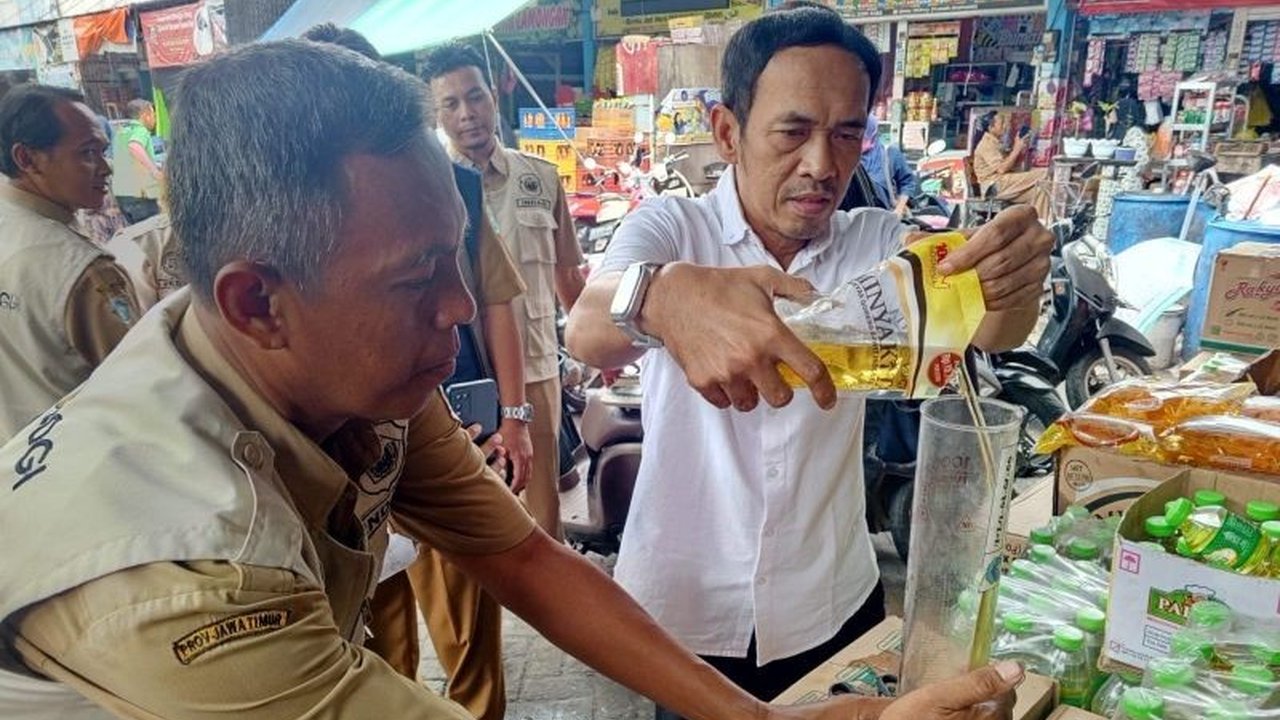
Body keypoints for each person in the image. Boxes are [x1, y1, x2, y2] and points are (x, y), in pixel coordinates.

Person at [0, 39, 1024, 720]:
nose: (460, 308)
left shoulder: (336, 372)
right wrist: (655, 296)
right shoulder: (187, 581)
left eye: (454, 257)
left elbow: (525, 558)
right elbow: (595, 316)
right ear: (257, 302)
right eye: (416, 279)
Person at [566, 7, 1051, 714]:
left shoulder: (876, 243)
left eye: (847, 133)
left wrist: (1014, 278)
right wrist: (665, 295)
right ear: (728, 131)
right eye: (792, 131)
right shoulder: (673, 228)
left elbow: (993, 330)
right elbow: (585, 328)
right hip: (688, 614)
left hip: (830, 600)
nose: (822, 165)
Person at [293, 24, 529, 720]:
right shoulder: (280, 219)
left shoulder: (453, 191)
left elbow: (492, 302)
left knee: (466, 610)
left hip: (438, 417)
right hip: (336, 462)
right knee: (371, 626)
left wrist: (514, 414)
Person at [424, 42, 586, 541]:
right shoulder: (427, 189)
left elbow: (567, 276)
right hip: (459, 382)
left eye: (475, 96)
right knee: (474, 526)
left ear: (494, 95)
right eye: (451, 103)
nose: (467, 113)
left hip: (535, 372)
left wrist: (591, 347)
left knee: (542, 521)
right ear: (436, 114)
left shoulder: (540, 179)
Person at [0, 84, 140, 442]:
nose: (106, 168)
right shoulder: (84, 272)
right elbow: (143, 384)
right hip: (80, 457)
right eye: (88, 153)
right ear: (27, 159)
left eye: (103, 152)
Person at [971, 111, 1050, 220]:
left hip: (1004, 183)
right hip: (994, 186)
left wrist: (1021, 149)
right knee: (1044, 173)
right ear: (991, 128)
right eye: (1002, 123)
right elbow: (1002, 169)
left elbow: (1011, 164)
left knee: (1041, 191)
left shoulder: (997, 143)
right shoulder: (986, 145)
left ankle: (1040, 223)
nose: (1005, 126)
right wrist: (1016, 148)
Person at [110, 98, 163, 224]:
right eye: (153, 115)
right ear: (145, 115)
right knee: (151, 230)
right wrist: (155, 171)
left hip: (122, 195)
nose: (155, 119)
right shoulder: (141, 130)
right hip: (140, 195)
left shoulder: (121, 133)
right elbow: (134, 146)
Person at [860, 114, 917, 216]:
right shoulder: (846, 157)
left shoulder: (890, 154)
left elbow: (907, 183)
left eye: (864, 136)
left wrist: (899, 209)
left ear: (873, 134)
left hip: (886, 219)